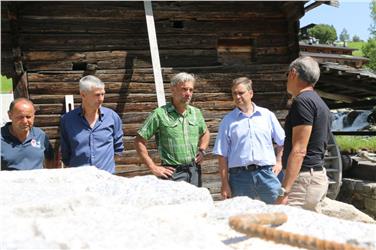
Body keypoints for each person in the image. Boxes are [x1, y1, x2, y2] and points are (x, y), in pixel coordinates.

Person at [213, 77, 285, 204]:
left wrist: (279, 162)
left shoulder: (267, 115)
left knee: (278, 210)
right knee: (242, 217)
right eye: (234, 93)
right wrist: (225, 184)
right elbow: (222, 155)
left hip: (267, 173)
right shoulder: (228, 121)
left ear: (251, 93)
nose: (237, 96)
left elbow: (282, 141)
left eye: (241, 93)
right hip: (239, 177)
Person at [134, 72, 210, 187]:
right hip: (172, 173)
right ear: (173, 89)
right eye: (184, 89)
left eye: (191, 90)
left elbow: (205, 133)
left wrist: (202, 150)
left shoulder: (196, 113)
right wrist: (153, 167)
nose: (188, 93)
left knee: (195, 205)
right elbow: (139, 141)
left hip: (194, 171)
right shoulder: (159, 114)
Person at [275, 56, 330, 213]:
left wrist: (284, 190)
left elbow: (299, 150)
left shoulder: (303, 101)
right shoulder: (320, 103)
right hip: (315, 175)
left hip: (304, 180)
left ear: (293, 73)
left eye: (287, 75)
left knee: (293, 230)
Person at [60, 75, 124, 173]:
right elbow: (66, 153)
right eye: (97, 95)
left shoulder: (112, 117)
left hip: (106, 179)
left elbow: (118, 148)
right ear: (83, 95)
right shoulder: (67, 120)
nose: (101, 99)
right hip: (79, 179)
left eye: (103, 94)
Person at [1, 98, 54, 170]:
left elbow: (50, 158)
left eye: (28, 117)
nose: (25, 121)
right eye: (20, 117)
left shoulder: (40, 135)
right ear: (10, 115)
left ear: (34, 116)